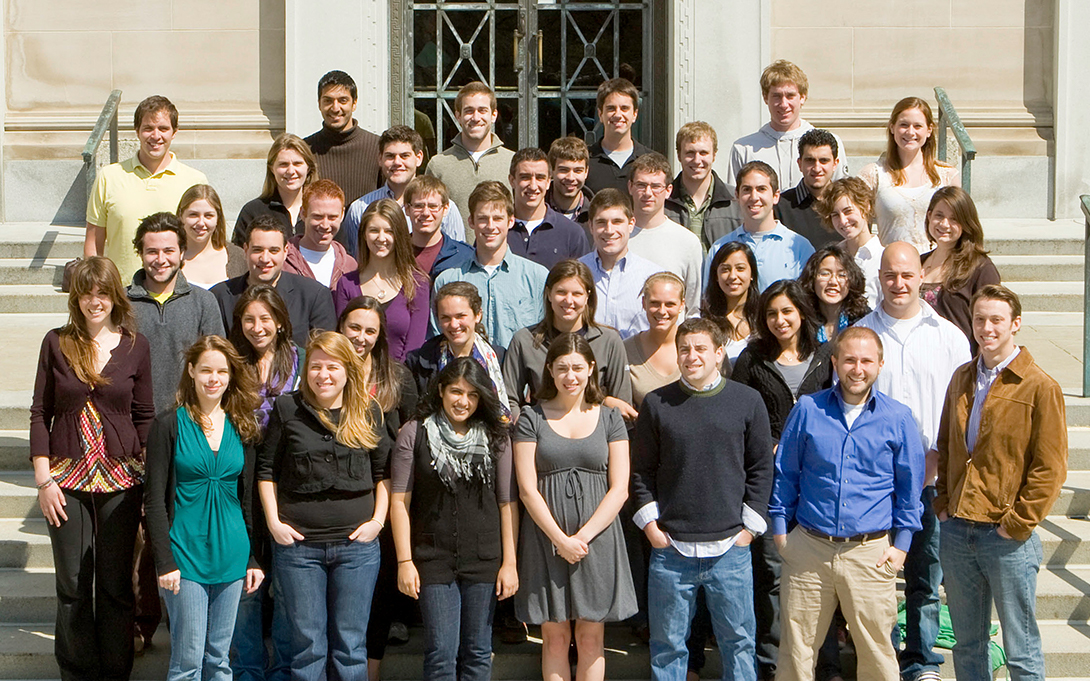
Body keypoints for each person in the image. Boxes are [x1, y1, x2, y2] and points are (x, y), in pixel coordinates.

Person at [771, 327, 925, 681]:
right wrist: (782, 535)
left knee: (877, 653)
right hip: (809, 548)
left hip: (869, 553)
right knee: (796, 651)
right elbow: (786, 474)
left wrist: (901, 547)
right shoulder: (808, 409)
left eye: (866, 361)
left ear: (880, 365)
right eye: (850, 360)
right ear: (836, 363)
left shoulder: (898, 418)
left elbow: (908, 490)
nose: (858, 369)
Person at [30, 256, 154, 681]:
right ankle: (77, 671)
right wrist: (44, 480)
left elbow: (145, 415)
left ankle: (115, 668)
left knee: (116, 585)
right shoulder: (56, 341)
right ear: (75, 298)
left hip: (121, 479)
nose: (94, 301)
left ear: (115, 295)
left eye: (102, 292)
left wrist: (149, 478)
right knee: (73, 585)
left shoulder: (136, 345)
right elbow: (39, 412)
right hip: (65, 480)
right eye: (86, 293)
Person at [631, 317, 774, 681]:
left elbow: (760, 468)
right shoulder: (657, 403)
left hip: (731, 549)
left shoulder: (747, 401)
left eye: (700, 349)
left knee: (738, 642)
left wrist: (749, 529)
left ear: (719, 353)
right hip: (671, 550)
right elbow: (641, 471)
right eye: (684, 349)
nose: (691, 356)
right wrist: (651, 527)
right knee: (667, 646)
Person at [936, 285, 1067, 681]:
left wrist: (1017, 523)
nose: (986, 328)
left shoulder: (1038, 386)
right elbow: (946, 445)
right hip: (958, 529)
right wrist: (943, 502)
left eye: (996, 320)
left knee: (1020, 647)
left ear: (1016, 325)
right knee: (968, 645)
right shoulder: (962, 377)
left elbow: (1050, 467)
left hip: (1005, 536)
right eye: (980, 319)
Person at [854, 242, 971, 681]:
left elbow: (962, 407)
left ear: (922, 277)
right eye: (889, 275)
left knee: (925, 573)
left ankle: (922, 661)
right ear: (879, 277)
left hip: (930, 475)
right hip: (872, 479)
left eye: (906, 275)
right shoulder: (863, 335)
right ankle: (879, 659)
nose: (898, 283)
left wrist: (938, 460)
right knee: (873, 578)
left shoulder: (949, 337)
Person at [255, 332, 393, 681]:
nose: (323, 375)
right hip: (299, 550)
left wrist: (378, 520)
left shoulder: (368, 411)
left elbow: (384, 473)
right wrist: (273, 522)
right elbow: (266, 469)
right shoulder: (288, 409)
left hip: (356, 549)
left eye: (332, 366)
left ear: (348, 370)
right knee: (308, 646)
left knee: (349, 647)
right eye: (316, 366)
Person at [514, 333, 637, 680]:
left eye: (578, 368)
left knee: (590, 637)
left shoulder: (610, 417)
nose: (571, 376)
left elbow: (620, 489)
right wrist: (560, 539)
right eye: (563, 368)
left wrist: (581, 537)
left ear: (591, 369)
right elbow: (527, 488)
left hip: (597, 540)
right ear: (550, 371)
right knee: (554, 639)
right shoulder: (531, 418)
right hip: (545, 540)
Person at [390, 357, 519, 681]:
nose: (463, 401)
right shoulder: (414, 433)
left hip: (484, 557)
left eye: (472, 394)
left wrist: (510, 563)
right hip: (433, 558)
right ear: (441, 391)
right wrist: (405, 561)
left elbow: (507, 503)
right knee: (440, 654)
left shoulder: (497, 436)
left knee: (477, 652)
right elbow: (399, 502)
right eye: (456, 392)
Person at [144, 336, 265, 681]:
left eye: (222, 371)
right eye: (206, 370)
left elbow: (247, 500)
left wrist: (252, 557)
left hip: (233, 554)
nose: (214, 378)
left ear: (230, 377)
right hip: (185, 556)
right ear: (192, 372)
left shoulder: (242, 427)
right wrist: (164, 561)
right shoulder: (168, 425)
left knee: (219, 659)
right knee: (187, 663)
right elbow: (153, 500)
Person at [731, 279, 834, 681]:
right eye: (771, 313)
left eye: (787, 311)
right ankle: (772, 664)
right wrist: (770, 444)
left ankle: (823, 664)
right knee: (773, 572)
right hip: (768, 481)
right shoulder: (752, 357)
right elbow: (737, 413)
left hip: (818, 481)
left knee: (820, 575)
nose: (779, 320)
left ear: (802, 313)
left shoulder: (826, 357)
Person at [335, 296, 418, 678]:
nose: (361, 337)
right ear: (341, 328)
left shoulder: (396, 377)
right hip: (338, 490)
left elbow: (412, 433)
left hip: (386, 491)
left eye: (370, 330)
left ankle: (371, 670)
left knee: (380, 588)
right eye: (355, 327)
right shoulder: (325, 370)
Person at [227, 285, 300, 681]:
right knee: (247, 583)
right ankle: (248, 668)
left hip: (291, 480)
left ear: (280, 322)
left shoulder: (301, 360)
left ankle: (285, 669)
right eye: (249, 319)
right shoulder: (230, 363)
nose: (258, 327)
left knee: (289, 585)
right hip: (241, 479)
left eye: (265, 319)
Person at [85, 95, 208, 281]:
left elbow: (204, 243)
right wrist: (96, 286)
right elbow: (94, 242)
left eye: (163, 128)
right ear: (137, 131)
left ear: (174, 132)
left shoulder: (195, 181)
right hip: (122, 294)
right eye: (148, 128)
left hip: (177, 293)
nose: (156, 136)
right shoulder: (109, 177)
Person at [502, 259, 634, 423]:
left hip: (596, 437)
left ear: (587, 296)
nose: (569, 300)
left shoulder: (609, 341)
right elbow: (508, 399)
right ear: (549, 294)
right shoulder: (525, 340)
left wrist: (604, 403)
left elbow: (621, 404)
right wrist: (525, 429)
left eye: (577, 294)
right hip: (541, 438)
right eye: (561, 292)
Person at [126, 211, 225, 414]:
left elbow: (217, 364)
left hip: (189, 418)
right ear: (141, 254)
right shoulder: (121, 303)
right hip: (133, 420)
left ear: (181, 252)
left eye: (168, 251)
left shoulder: (204, 302)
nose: (161, 259)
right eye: (152, 251)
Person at [431, 181, 549, 350]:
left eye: (498, 218)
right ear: (471, 222)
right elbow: (438, 342)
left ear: (510, 221)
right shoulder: (447, 280)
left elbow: (545, 338)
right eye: (483, 219)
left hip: (519, 375)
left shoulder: (537, 277)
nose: (490, 226)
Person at [726, 60, 847, 200]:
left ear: (802, 97)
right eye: (776, 96)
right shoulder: (744, 149)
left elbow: (840, 193)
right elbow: (735, 203)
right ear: (765, 97)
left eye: (790, 96)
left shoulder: (828, 144)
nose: (784, 104)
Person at [211, 215, 337, 348]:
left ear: (285, 251)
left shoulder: (314, 296)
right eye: (257, 250)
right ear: (246, 250)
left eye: (273, 250)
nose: (265, 258)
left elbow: (324, 354)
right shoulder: (220, 297)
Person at [344, 125, 466, 258]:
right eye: (390, 156)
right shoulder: (360, 208)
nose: (397, 162)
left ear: (419, 158)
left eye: (404, 156)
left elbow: (458, 259)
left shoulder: (443, 208)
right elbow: (356, 261)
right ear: (380, 159)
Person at [332, 198, 430, 361]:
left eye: (389, 231)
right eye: (374, 230)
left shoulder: (417, 284)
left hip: (400, 380)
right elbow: (343, 342)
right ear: (363, 234)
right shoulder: (347, 284)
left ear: (399, 235)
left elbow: (414, 348)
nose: (381, 238)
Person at [859, 97, 960, 252]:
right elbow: (859, 228)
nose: (910, 132)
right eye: (904, 125)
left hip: (934, 269)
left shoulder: (947, 176)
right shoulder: (873, 175)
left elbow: (959, 228)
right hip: (891, 269)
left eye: (918, 126)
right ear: (892, 128)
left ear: (929, 130)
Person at [408, 281, 510, 420]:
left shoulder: (500, 358)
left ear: (478, 315)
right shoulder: (420, 361)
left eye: (460, 316)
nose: (454, 325)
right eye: (445, 318)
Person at [706, 161, 815, 292]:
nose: (754, 197)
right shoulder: (719, 248)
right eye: (747, 189)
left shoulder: (799, 248)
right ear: (737, 196)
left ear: (775, 196)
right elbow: (709, 300)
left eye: (761, 189)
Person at [425, 81, 516, 236]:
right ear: (458, 116)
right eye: (468, 111)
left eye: (482, 110)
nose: (475, 117)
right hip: (452, 256)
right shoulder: (438, 165)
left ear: (493, 115)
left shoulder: (512, 162)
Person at [919, 187, 1001, 351]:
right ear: (929, 216)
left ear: (966, 223)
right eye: (939, 215)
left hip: (960, 364)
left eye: (954, 219)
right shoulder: (918, 261)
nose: (944, 224)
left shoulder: (980, 268)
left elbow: (991, 325)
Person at [578, 189, 663, 340]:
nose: (609, 230)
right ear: (591, 226)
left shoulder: (652, 277)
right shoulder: (576, 273)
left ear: (631, 224)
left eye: (617, 222)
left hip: (637, 362)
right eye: (601, 222)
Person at [625, 152, 703, 308]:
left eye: (656, 187)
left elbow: (693, 307)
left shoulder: (687, 242)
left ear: (668, 190)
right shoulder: (615, 237)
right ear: (630, 187)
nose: (648, 193)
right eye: (641, 185)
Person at [303, 70, 383, 216]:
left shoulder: (377, 147)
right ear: (319, 104)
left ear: (354, 103)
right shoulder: (305, 150)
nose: (335, 108)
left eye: (343, 100)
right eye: (328, 100)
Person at [506, 147, 591, 269]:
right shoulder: (496, 229)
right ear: (512, 180)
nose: (533, 186)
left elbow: (583, 283)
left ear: (548, 182)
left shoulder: (572, 233)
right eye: (525, 177)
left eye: (540, 178)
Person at [234, 133, 318, 246]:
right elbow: (240, 257)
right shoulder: (253, 212)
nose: (291, 171)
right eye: (283, 164)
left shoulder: (321, 210)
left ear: (308, 168)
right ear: (272, 169)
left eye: (297, 164)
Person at [814, 178, 884, 309]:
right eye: (835, 215)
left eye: (848, 211)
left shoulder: (883, 258)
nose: (843, 221)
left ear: (866, 206)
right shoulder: (830, 257)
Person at [664, 121, 735, 249]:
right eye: (690, 153)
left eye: (703, 153)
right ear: (679, 155)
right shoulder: (663, 202)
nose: (697, 160)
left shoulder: (735, 202)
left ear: (714, 155)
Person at [625, 272, 685, 410]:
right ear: (644, 303)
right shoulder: (626, 350)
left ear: (682, 305)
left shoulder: (700, 347)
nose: (662, 311)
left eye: (670, 304)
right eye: (655, 303)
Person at [283, 179, 358, 289]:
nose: (325, 225)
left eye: (332, 217)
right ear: (303, 213)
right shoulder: (283, 263)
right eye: (318, 217)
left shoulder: (350, 266)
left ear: (342, 215)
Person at [776, 129, 842, 250]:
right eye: (810, 160)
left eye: (824, 160)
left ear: (835, 164)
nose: (817, 168)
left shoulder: (848, 206)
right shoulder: (780, 206)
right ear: (799, 164)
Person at [585, 78, 653, 194]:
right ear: (600, 114)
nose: (618, 114)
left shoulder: (651, 161)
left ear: (635, 114)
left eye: (624, 108)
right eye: (611, 108)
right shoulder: (585, 161)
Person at [405, 175, 475, 281]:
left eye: (433, 206)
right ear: (407, 209)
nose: (426, 213)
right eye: (418, 206)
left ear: (445, 209)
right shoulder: (394, 254)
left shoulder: (465, 256)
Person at [701, 241, 761, 365]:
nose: (733, 276)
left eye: (740, 268)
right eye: (725, 269)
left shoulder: (764, 317)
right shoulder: (704, 320)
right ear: (716, 275)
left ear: (752, 274)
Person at [178, 184, 247, 289]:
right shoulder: (169, 258)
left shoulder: (239, 257)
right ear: (181, 216)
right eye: (193, 215)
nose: (201, 222)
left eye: (208, 215)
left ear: (218, 218)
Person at [798, 246, 871, 344]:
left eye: (841, 275)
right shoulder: (801, 321)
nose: (833, 281)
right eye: (825, 274)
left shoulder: (865, 320)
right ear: (812, 279)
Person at [545, 136, 594, 225]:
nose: (571, 177)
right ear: (551, 170)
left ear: (586, 172)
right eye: (563, 170)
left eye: (577, 171)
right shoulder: (535, 211)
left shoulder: (596, 214)